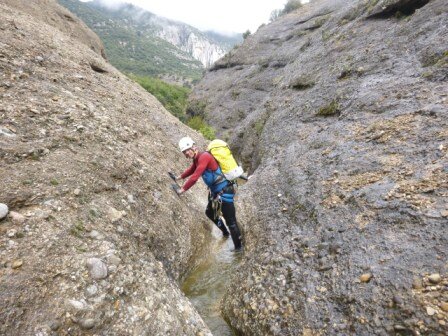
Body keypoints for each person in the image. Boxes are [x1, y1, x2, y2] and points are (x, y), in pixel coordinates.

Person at [173, 136, 243, 251]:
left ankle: (238, 249)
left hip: (225, 191)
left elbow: (195, 176)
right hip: (215, 192)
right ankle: (226, 233)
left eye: (188, 150)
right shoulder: (197, 159)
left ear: (193, 147)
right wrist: (178, 177)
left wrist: (182, 190)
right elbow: (191, 170)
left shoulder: (204, 157)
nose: (186, 153)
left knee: (231, 221)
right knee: (210, 212)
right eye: (184, 151)